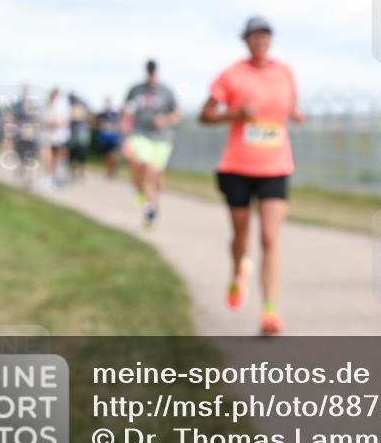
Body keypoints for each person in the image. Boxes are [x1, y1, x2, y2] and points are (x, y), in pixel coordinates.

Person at [198, 17, 302, 336]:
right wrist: (236, 114)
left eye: (265, 36)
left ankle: (269, 311)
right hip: (237, 167)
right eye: (254, 36)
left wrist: (295, 115)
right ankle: (237, 270)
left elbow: (291, 106)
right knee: (241, 237)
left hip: (275, 166)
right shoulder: (231, 75)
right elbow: (205, 116)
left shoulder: (284, 72)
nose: (260, 41)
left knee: (270, 238)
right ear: (245, 40)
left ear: (271, 40)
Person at [122, 60, 181, 228]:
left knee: (155, 176)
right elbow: (126, 112)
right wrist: (125, 131)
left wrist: (166, 120)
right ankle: (149, 210)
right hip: (140, 135)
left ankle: (152, 202)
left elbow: (177, 114)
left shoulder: (166, 91)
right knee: (145, 168)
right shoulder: (136, 90)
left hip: (162, 139)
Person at [41, 88, 71, 188]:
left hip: (58, 136)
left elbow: (66, 120)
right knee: (47, 156)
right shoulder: (45, 105)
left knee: (55, 158)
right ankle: (48, 177)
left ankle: (52, 177)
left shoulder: (63, 107)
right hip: (47, 135)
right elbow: (41, 119)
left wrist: (57, 123)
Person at [67, 93, 92, 181]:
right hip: (74, 136)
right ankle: (72, 172)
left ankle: (80, 172)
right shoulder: (71, 109)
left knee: (81, 155)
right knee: (72, 155)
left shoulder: (85, 110)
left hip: (82, 137)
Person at [96, 98, 122, 179]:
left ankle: (113, 171)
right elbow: (97, 124)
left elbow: (118, 124)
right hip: (104, 138)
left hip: (113, 138)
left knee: (113, 155)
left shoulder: (115, 114)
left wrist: (113, 127)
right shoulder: (101, 115)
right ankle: (107, 171)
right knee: (105, 156)